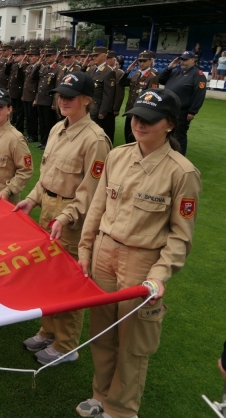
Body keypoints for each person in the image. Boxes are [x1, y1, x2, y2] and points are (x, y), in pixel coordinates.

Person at [75, 88, 201, 418]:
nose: (139, 124)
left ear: (170, 125)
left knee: (132, 344)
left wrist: (159, 276)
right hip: (104, 254)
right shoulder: (118, 155)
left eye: (149, 119)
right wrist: (85, 249)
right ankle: (100, 395)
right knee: (102, 336)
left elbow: (180, 237)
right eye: (136, 117)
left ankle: (121, 410)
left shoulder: (182, 172)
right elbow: (98, 205)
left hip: (142, 263)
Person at [14, 71, 111, 366]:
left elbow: (92, 192)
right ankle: (48, 331)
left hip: (73, 220)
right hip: (49, 212)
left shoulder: (96, 140)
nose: (63, 100)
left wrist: (67, 216)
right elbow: (47, 176)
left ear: (87, 101)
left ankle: (67, 345)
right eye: (60, 95)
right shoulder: (58, 128)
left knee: (69, 283)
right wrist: (31, 199)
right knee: (47, 275)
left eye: (70, 96)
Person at [158, 50, 207, 156]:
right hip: (167, 109)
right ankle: (167, 154)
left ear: (193, 60)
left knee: (179, 135)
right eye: (181, 59)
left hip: (182, 111)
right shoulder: (176, 71)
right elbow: (160, 79)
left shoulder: (198, 75)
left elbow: (199, 94)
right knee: (166, 132)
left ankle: (179, 157)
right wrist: (169, 67)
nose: (182, 62)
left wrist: (193, 111)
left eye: (185, 60)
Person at [119, 50, 159, 144]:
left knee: (137, 140)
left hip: (140, 113)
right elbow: (122, 83)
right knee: (128, 137)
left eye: (144, 61)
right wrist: (128, 71)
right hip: (130, 110)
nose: (141, 63)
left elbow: (151, 96)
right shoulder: (137, 73)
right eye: (140, 61)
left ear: (150, 61)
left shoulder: (152, 76)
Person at [85, 46, 117, 144]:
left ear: (104, 56)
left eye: (96, 56)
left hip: (97, 108)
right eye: (93, 55)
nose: (93, 58)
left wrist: (103, 111)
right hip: (88, 106)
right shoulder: (92, 69)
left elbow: (108, 94)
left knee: (97, 135)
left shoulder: (108, 71)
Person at [35, 48, 59, 150]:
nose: (47, 58)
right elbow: (34, 78)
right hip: (41, 99)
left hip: (49, 101)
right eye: (46, 56)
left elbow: (57, 87)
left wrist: (54, 102)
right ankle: (43, 141)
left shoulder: (58, 69)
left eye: (50, 56)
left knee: (49, 124)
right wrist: (38, 63)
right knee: (42, 123)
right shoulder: (44, 68)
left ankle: (49, 143)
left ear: (55, 57)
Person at [21, 49, 41, 142]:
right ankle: (29, 135)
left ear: (37, 57)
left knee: (33, 118)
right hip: (26, 95)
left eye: (32, 56)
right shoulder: (29, 67)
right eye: (29, 56)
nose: (30, 58)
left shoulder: (39, 67)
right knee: (28, 117)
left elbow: (34, 78)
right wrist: (23, 60)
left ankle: (34, 135)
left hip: (32, 95)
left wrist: (36, 98)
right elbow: (20, 71)